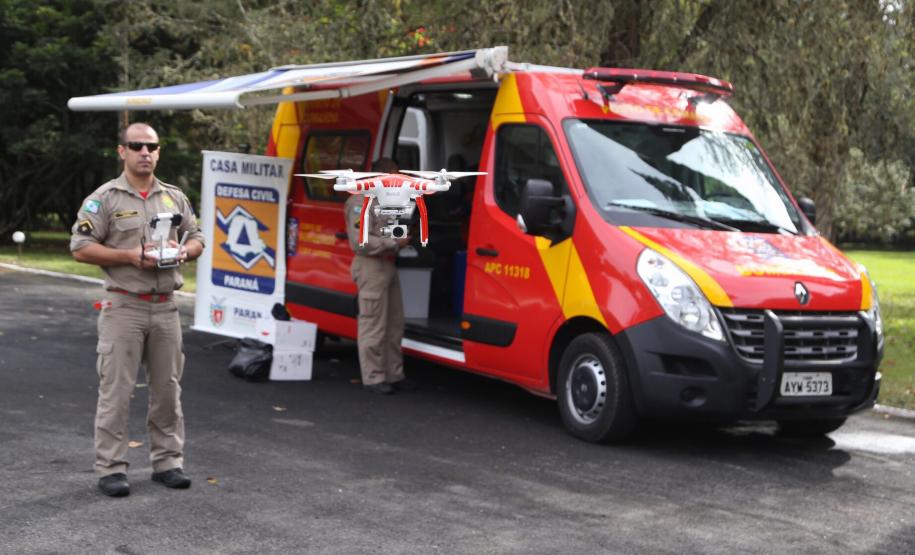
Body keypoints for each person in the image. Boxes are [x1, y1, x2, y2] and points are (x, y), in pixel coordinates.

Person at [70, 122, 205, 497]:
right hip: (123, 307)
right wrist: (128, 256)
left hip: (165, 309)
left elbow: (197, 237)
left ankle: (168, 462)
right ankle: (111, 467)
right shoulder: (105, 199)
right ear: (122, 151)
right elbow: (80, 247)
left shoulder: (173, 197)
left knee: (167, 390)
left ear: (159, 151)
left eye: (151, 146)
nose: (145, 152)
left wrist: (184, 251)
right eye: (136, 146)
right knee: (117, 391)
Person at [343, 158, 417, 395]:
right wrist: (393, 241)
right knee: (373, 324)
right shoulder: (358, 202)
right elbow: (360, 241)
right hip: (370, 266)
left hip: (388, 264)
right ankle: (373, 377)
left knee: (394, 324)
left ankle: (394, 374)